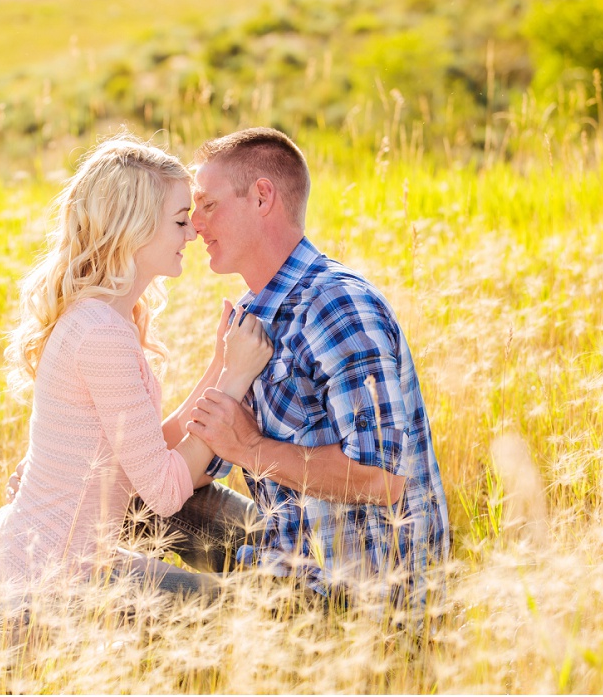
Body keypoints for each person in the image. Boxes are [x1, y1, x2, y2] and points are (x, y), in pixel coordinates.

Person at [0, 136, 274, 607]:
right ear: (135, 228)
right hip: (45, 578)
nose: (192, 234)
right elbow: (165, 491)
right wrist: (232, 384)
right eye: (180, 220)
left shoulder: (107, 318)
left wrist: (219, 368)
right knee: (237, 614)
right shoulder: (100, 333)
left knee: (244, 600)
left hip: (63, 559)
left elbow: (145, 449)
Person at [157, 127, 450, 614]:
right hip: (285, 555)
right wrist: (84, 472)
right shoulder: (258, 313)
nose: (194, 227)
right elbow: (196, 460)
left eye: (207, 205)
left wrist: (251, 448)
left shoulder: (336, 306)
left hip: (356, 597)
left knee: (127, 590)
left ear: (262, 197)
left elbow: (383, 480)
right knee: (136, 504)